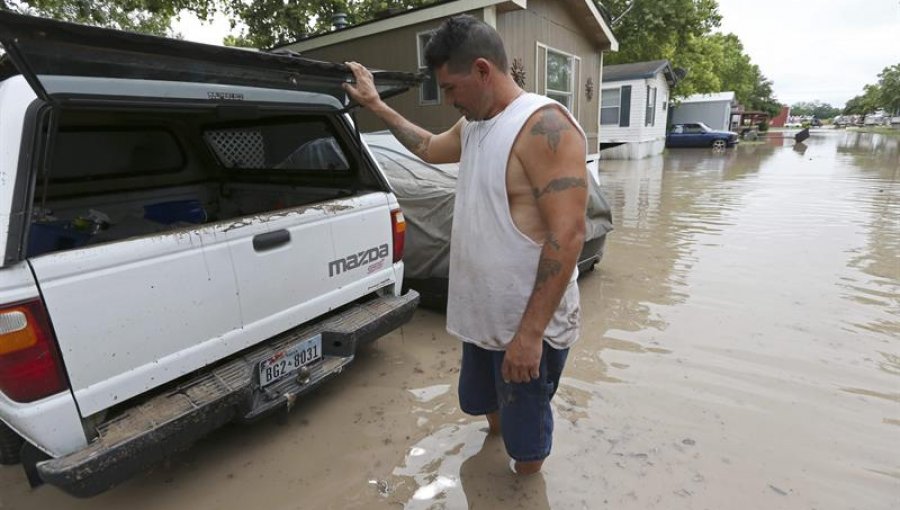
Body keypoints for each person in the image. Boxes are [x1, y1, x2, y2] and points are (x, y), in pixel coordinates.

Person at [343, 14, 587, 475]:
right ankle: (491, 467)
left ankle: (520, 494)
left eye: (452, 89)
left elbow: (569, 234)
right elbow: (430, 147)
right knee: (486, 409)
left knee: (526, 448)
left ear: (481, 70)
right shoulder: (474, 125)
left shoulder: (543, 126)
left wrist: (530, 336)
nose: (450, 100)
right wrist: (376, 106)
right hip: (484, 318)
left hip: (526, 327)